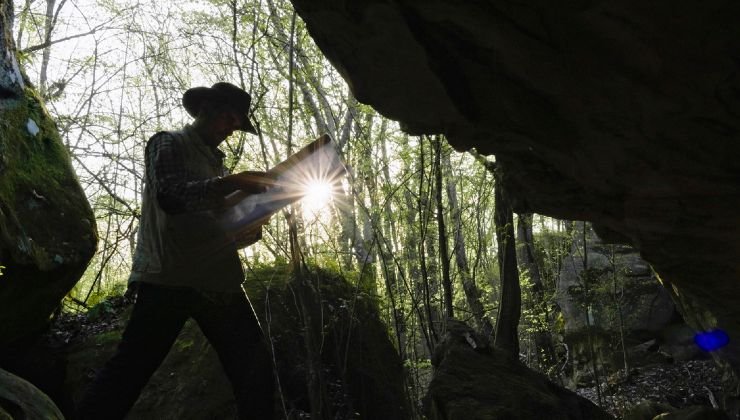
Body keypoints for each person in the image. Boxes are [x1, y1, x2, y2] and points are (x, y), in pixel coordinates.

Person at [76, 82, 276, 420]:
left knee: (255, 372)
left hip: (218, 282)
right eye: (228, 119)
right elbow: (171, 196)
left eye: (236, 124)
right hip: (168, 278)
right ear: (206, 109)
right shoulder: (167, 142)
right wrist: (233, 182)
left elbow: (214, 226)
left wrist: (248, 228)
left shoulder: (216, 163)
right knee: (128, 373)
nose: (230, 130)